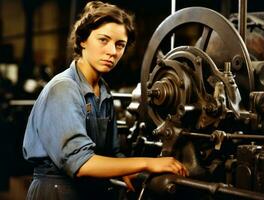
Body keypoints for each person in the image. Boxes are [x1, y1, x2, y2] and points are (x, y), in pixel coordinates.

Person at [22, 1, 188, 199]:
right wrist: (147, 162)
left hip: (90, 190)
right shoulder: (64, 88)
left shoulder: (103, 91)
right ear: (82, 40)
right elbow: (80, 163)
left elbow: (111, 152)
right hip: (57, 190)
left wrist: (127, 169)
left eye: (120, 45)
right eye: (103, 40)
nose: (112, 52)